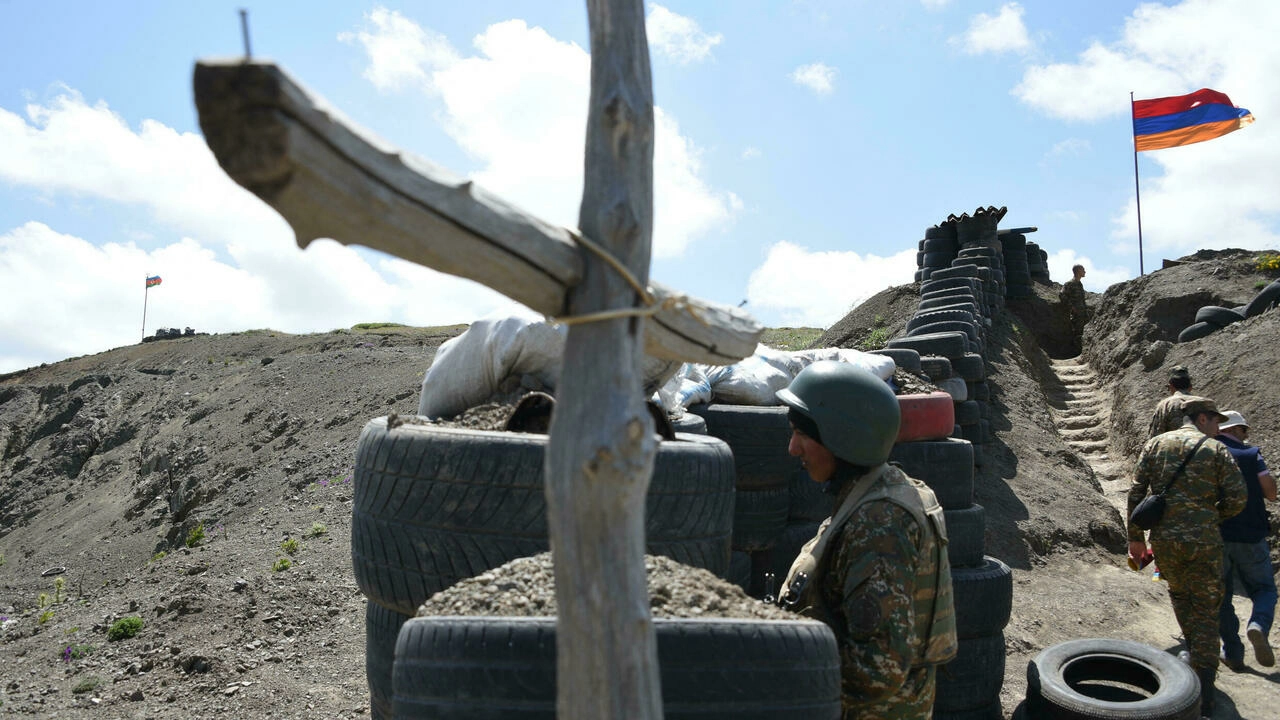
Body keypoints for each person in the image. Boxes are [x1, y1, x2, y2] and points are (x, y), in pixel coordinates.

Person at [774, 361, 956, 720]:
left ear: (842, 437)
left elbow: (877, 670)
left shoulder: (880, 524)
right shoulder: (873, 492)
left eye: (803, 434)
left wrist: (778, 677)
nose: (792, 449)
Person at [1128, 397, 1246, 717]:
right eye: (1217, 421)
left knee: (1181, 596)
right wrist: (1212, 516)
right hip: (1204, 542)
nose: (1219, 427)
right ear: (1203, 418)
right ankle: (1204, 693)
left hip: (1165, 543)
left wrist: (1136, 540)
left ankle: (1194, 659)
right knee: (1207, 610)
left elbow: (1137, 493)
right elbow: (1238, 497)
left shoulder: (1154, 445)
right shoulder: (1215, 449)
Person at [1214, 410, 1277, 671]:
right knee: (1265, 589)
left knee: (1223, 596)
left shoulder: (1208, 455)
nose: (1246, 436)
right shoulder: (1251, 455)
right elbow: (1271, 493)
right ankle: (1258, 625)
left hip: (1217, 535)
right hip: (1251, 534)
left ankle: (1233, 654)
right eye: (1244, 431)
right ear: (1236, 430)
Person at [1149, 365, 1194, 438]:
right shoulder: (1207, 404)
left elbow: (1155, 437)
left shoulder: (1165, 405)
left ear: (1171, 386)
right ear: (1190, 387)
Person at [1060, 264, 1088, 352]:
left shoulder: (1080, 284)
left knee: (1082, 333)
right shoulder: (1070, 284)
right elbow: (1062, 295)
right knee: (1076, 333)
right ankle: (1075, 352)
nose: (1085, 271)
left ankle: (1081, 352)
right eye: (1083, 269)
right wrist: (1071, 307)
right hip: (1076, 314)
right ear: (1078, 271)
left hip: (1082, 313)